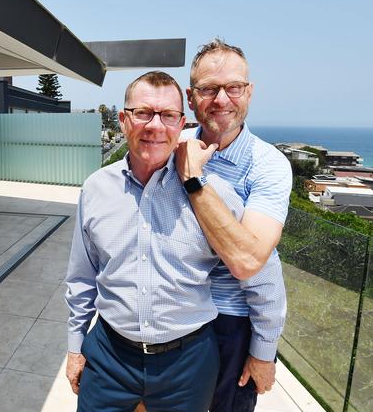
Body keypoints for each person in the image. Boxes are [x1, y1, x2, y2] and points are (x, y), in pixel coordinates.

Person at [65, 71, 285, 411]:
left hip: (188, 363)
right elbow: (82, 276)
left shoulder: (212, 196)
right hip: (109, 354)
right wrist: (75, 345)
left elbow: (262, 274)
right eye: (143, 113)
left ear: (181, 123)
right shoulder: (96, 188)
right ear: (124, 120)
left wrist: (263, 352)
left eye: (168, 115)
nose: (155, 126)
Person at [176, 38, 292, 411]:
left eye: (233, 88)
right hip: (173, 310)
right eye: (209, 89)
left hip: (228, 321)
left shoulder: (268, 165)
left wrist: (263, 350)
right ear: (191, 97)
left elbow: (250, 261)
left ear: (249, 92)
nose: (222, 100)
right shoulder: (174, 147)